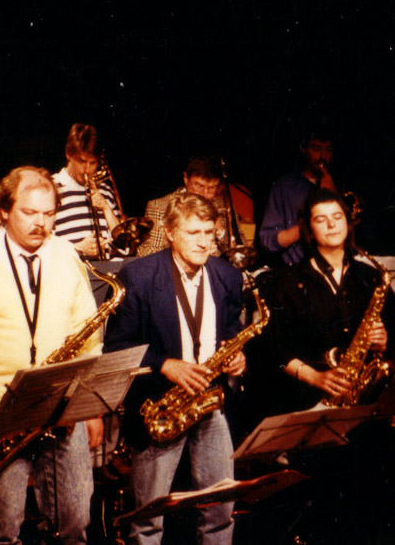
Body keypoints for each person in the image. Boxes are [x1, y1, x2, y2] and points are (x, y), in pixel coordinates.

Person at [0, 166, 103, 544]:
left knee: (75, 522)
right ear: (4, 210)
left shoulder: (66, 254)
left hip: (61, 405)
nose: (41, 224)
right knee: (1, 528)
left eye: (49, 214)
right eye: (29, 212)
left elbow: (88, 335)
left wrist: (90, 407)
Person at [105, 193, 245, 544]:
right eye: (193, 232)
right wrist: (165, 365)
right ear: (169, 232)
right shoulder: (137, 275)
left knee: (221, 510)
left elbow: (230, 329)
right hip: (161, 405)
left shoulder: (227, 275)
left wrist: (236, 355)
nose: (203, 242)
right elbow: (116, 347)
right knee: (149, 517)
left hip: (210, 401)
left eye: (209, 233)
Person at [244, 188, 395, 421]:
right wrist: (315, 377)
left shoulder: (370, 277)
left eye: (337, 217)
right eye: (321, 219)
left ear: (347, 223)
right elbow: (270, 351)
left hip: (364, 401)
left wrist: (383, 341)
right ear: (309, 230)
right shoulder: (286, 283)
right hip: (308, 401)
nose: (332, 225)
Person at [259, 130, 337, 267]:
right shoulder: (285, 186)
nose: (323, 156)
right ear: (303, 149)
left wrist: (333, 195)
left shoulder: (337, 186)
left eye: (328, 150)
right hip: (298, 268)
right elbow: (268, 241)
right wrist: (308, 226)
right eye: (316, 149)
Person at [52, 123, 122, 259]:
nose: (87, 169)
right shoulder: (51, 187)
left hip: (105, 269)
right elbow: (44, 243)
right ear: (68, 154)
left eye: (93, 163)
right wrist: (78, 248)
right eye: (82, 161)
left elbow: (121, 243)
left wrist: (105, 207)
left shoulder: (105, 190)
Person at [137, 155, 226, 258]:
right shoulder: (159, 207)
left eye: (212, 188)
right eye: (199, 186)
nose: (205, 194)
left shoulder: (222, 206)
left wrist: (221, 233)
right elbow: (145, 253)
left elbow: (238, 251)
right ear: (186, 179)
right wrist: (185, 251)